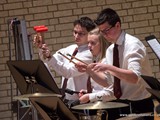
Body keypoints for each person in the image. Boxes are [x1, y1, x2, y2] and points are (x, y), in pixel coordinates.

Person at [87, 8, 154, 119]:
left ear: (117, 25)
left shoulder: (133, 44)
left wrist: (108, 67)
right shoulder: (110, 50)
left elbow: (134, 77)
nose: (104, 34)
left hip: (140, 103)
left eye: (106, 30)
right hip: (121, 103)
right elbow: (108, 83)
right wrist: (90, 71)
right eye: (101, 31)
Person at [33, 17, 96, 101]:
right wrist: (41, 48)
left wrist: (49, 57)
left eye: (81, 33)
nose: (76, 36)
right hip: (66, 98)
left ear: (89, 34)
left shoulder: (89, 54)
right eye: (75, 32)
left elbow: (68, 72)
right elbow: (48, 61)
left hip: (81, 99)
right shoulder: (71, 48)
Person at [75, 27, 114, 104]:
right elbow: (99, 88)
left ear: (102, 44)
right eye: (88, 42)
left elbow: (109, 87)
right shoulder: (97, 61)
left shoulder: (107, 62)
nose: (89, 46)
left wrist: (89, 97)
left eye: (93, 43)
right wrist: (88, 92)